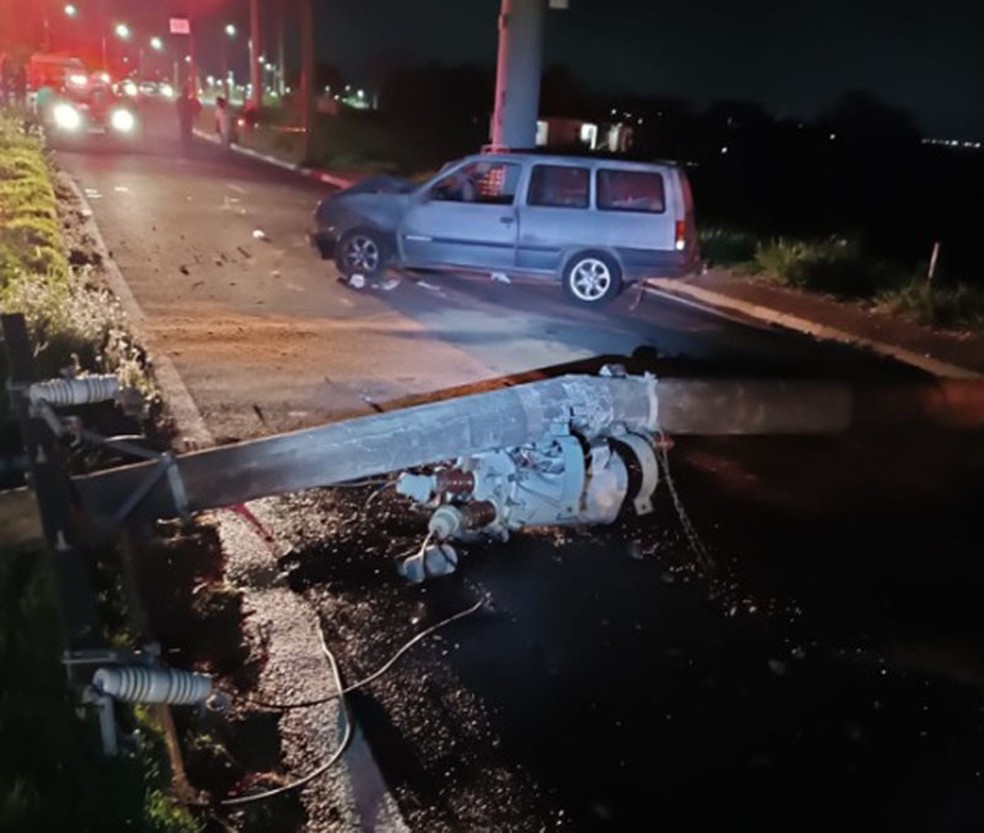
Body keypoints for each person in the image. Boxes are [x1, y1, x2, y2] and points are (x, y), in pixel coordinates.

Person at [175, 83, 201, 155]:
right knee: (187, 133)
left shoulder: (180, 100)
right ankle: (187, 147)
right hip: (187, 119)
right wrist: (196, 114)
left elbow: (177, 108)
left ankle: (186, 147)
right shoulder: (188, 101)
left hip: (185, 119)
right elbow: (198, 107)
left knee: (185, 133)